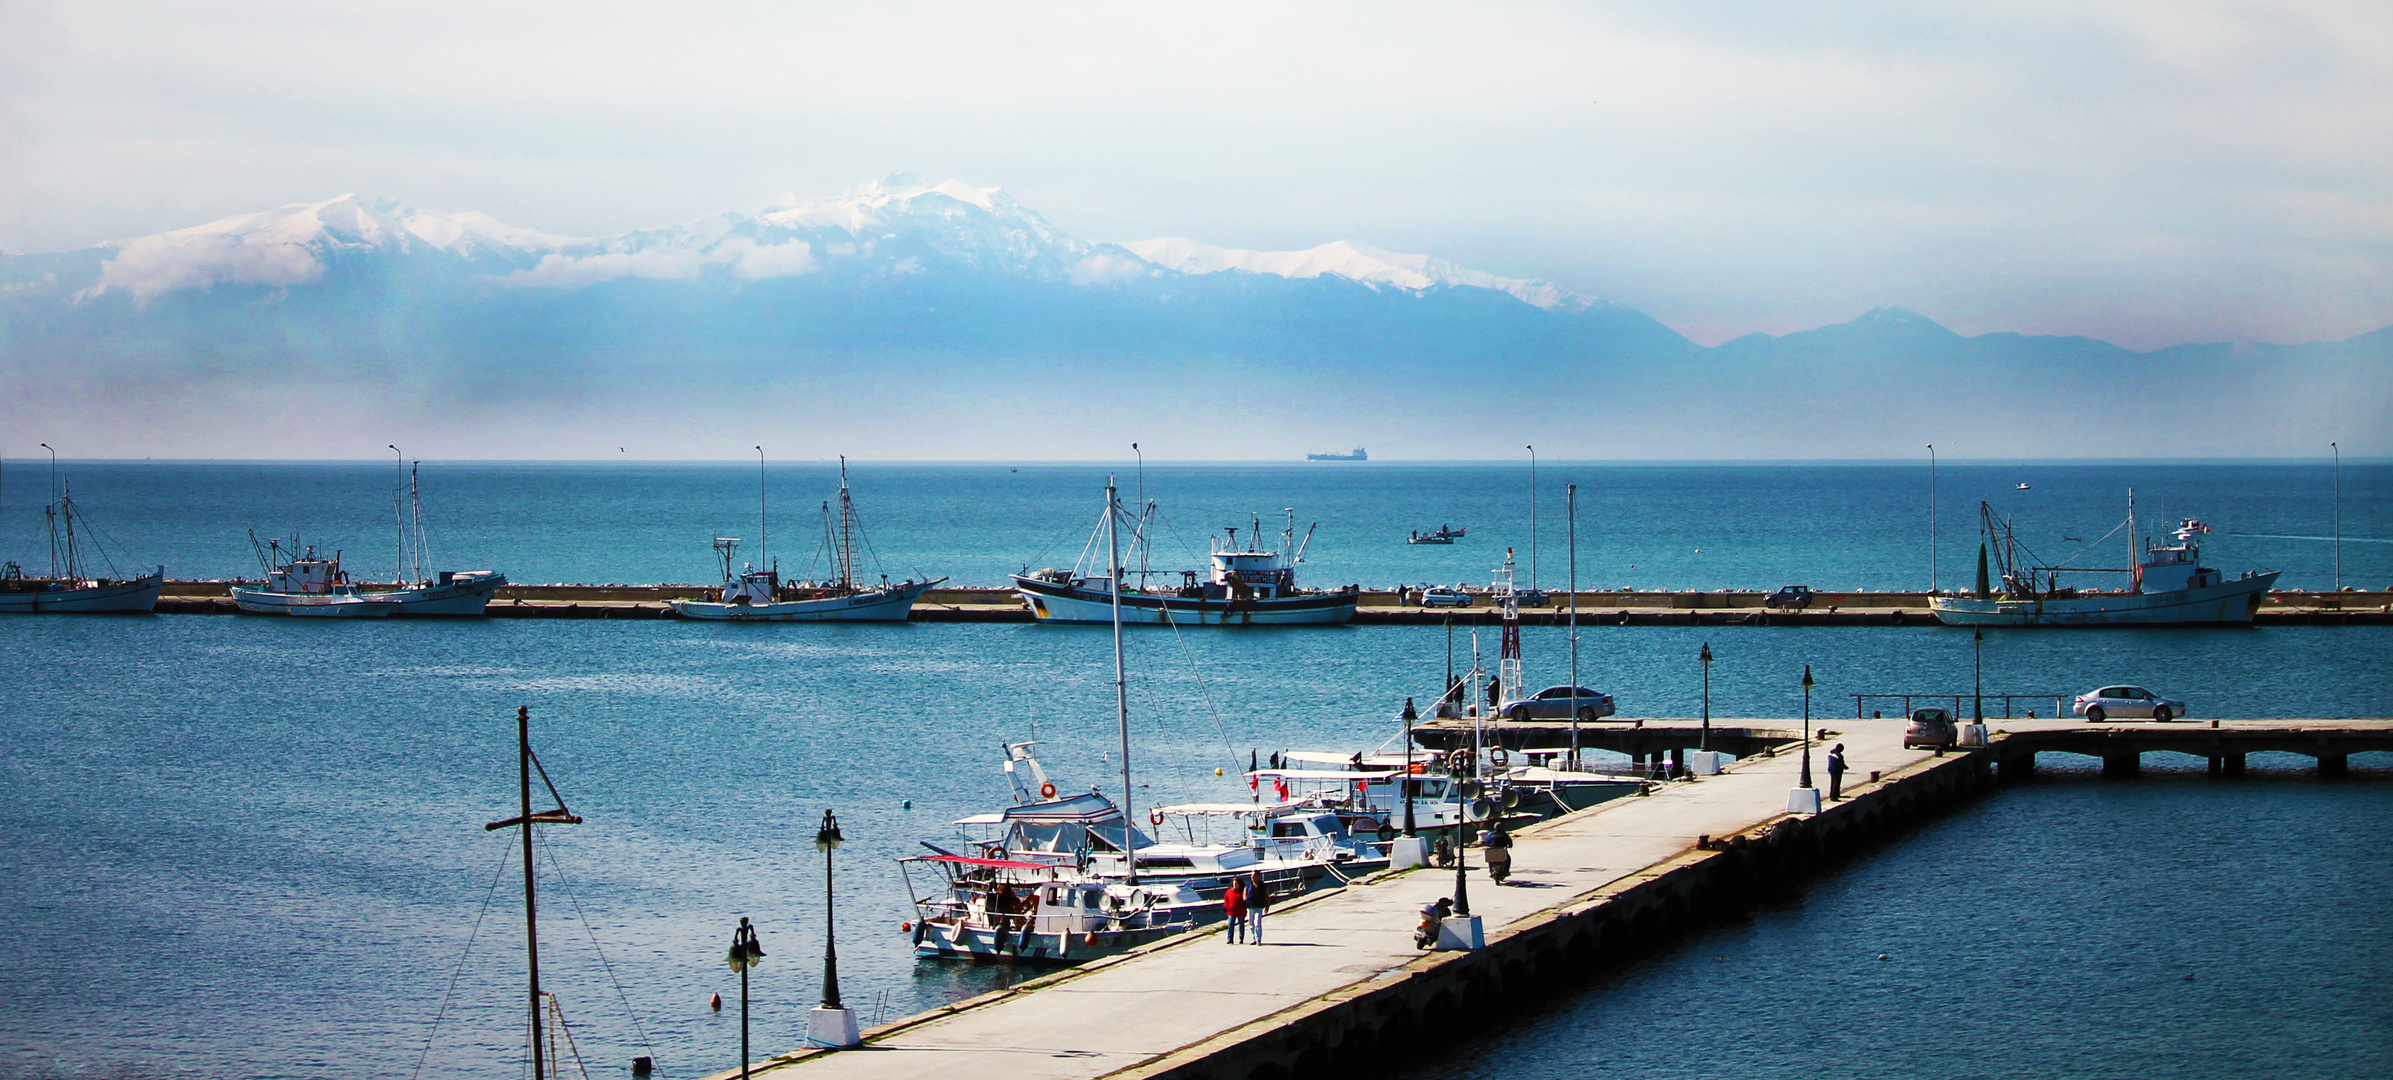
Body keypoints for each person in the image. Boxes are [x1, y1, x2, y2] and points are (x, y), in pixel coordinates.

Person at [1245, 871, 1270, 944]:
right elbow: (1244, 893)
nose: (1252, 877)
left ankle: (1258, 939)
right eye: (1251, 875)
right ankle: (1254, 938)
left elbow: (1266, 896)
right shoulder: (1248, 884)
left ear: (1258, 876)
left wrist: (1267, 905)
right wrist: (1245, 900)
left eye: (1254, 875)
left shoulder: (1262, 885)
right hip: (1250, 907)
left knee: (1257, 923)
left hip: (1259, 906)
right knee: (1251, 924)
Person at [1222, 876, 1247, 944]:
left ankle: (1241, 938)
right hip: (1231, 911)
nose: (1234, 885)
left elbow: (1246, 901)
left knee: (1241, 925)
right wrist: (1226, 907)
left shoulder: (1242, 892)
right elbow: (1226, 899)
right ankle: (1230, 939)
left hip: (1240, 911)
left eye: (1236, 884)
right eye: (1233, 884)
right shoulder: (1229, 891)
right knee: (1231, 925)